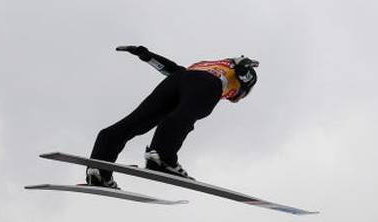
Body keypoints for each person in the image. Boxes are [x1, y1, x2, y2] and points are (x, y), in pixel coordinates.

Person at [86, 46, 259, 188]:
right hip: (206, 84)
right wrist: (244, 63)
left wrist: (147, 56)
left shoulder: (205, 64)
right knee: (184, 116)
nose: (232, 98)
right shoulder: (231, 77)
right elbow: (244, 67)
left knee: (136, 121)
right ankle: (162, 158)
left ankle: (99, 169)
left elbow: (173, 70)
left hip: (178, 79)